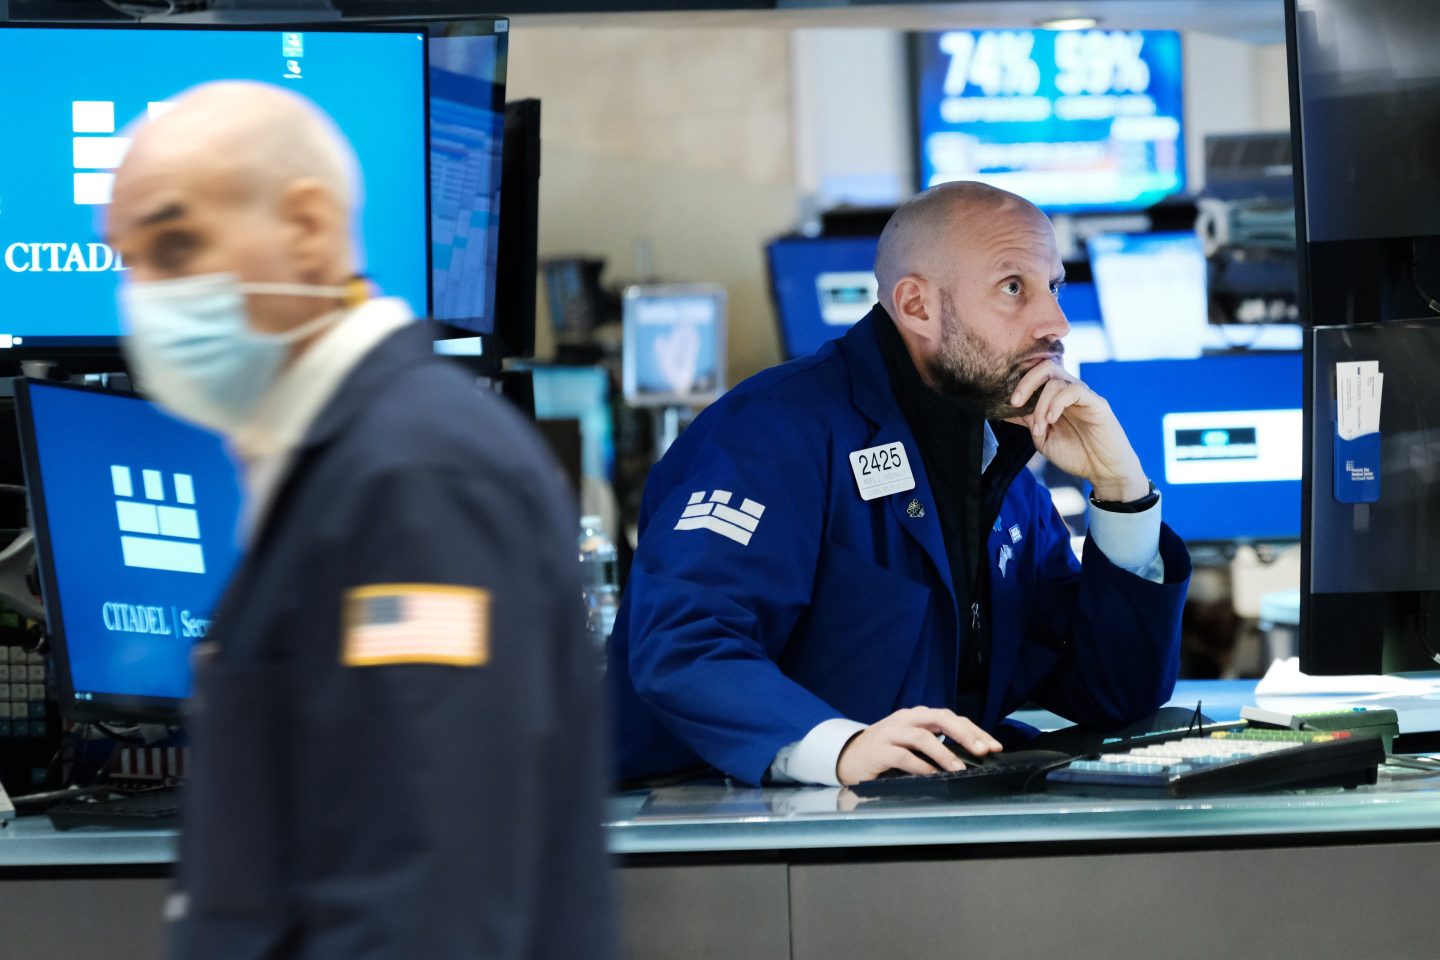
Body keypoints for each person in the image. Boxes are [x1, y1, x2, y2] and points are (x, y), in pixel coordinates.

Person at [106, 81, 616, 959]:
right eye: (128, 259)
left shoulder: (415, 476)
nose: (143, 294)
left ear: (305, 229)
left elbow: (427, 901)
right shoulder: (343, 459)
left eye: (175, 243)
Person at [609, 182, 1191, 787]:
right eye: (1013, 288)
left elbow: (1112, 692)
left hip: (910, 825)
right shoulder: (773, 432)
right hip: (726, 829)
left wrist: (1122, 492)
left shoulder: (999, 460)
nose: (1056, 322)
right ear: (916, 306)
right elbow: (685, 644)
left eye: (1054, 287)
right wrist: (840, 748)